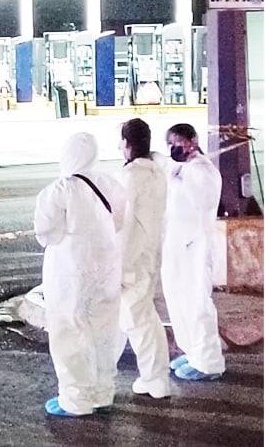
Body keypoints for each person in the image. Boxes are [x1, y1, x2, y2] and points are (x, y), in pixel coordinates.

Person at [34, 132, 126, 417]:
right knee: (105, 326)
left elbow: (46, 233)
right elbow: (119, 221)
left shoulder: (59, 190)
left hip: (70, 269)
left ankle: (76, 399)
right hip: (108, 263)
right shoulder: (112, 184)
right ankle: (102, 392)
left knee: (70, 328)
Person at [162, 123, 225, 381]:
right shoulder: (179, 167)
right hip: (177, 247)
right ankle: (192, 352)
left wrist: (181, 178)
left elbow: (202, 202)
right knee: (178, 302)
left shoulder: (203, 170)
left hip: (195, 248)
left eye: (180, 143)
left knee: (197, 304)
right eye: (171, 144)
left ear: (193, 141)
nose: (175, 148)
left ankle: (208, 362)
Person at [115, 119, 170, 399]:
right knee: (143, 316)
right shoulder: (157, 172)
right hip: (150, 251)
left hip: (133, 256)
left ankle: (154, 378)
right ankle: (155, 376)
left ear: (127, 144)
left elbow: (124, 224)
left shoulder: (132, 176)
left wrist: (118, 265)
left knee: (137, 319)